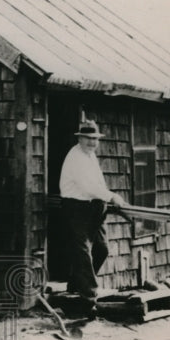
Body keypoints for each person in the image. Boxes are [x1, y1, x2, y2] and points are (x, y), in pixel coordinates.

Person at [59, 119, 125, 299]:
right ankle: (89, 292)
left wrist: (106, 200)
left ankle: (75, 283)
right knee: (82, 249)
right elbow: (87, 186)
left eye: (95, 139)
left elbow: (97, 183)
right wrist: (111, 196)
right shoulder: (76, 157)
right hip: (76, 206)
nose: (92, 142)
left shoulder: (90, 155)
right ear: (79, 139)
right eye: (88, 138)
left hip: (94, 206)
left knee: (101, 249)